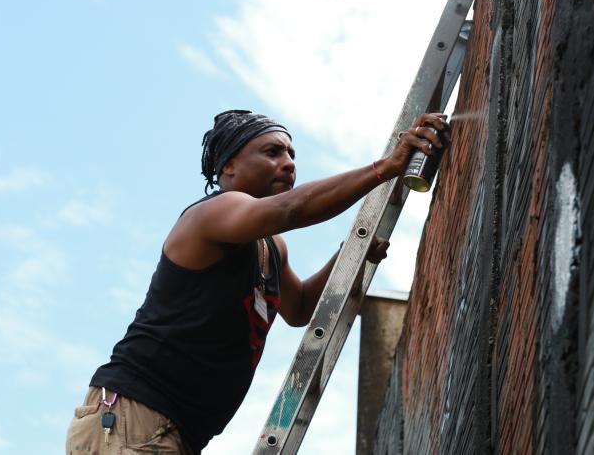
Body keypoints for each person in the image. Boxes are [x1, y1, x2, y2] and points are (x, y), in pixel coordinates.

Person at [65, 109, 449, 454]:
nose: (287, 163)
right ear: (229, 167)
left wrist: (349, 255)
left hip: (176, 430)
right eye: (272, 152)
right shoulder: (214, 212)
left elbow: (298, 309)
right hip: (132, 416)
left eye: (291, 155)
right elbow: (293, 208)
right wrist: (386, 167)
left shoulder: (270, 248)